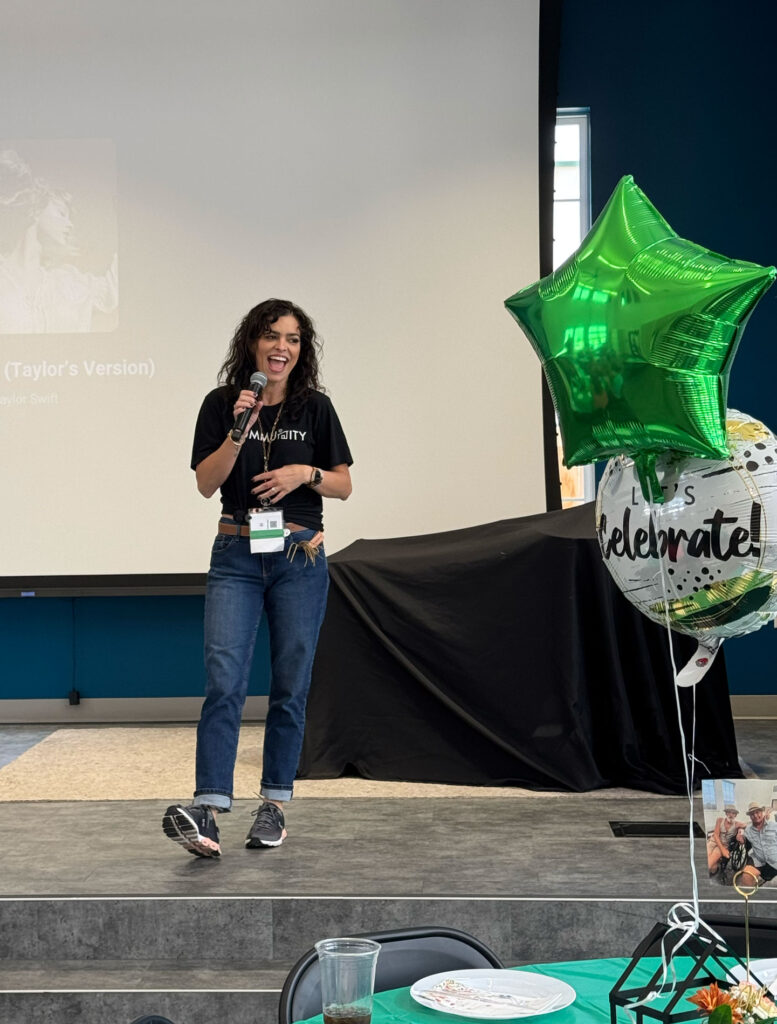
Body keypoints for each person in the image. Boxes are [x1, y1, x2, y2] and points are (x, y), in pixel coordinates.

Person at [163, 298, 352, 857]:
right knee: (224, 682)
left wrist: (304, 472)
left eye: (293, 339)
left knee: (290, 686)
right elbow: (206, 482)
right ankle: (209, 810)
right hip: (236, 555)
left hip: (300, 559)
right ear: (251, 343)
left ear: (302, 351)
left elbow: (342, 485)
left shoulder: (315, 409)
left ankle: (273, 805)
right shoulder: (222, 405)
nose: (281, 347)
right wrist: (238, 432)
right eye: (271, 336)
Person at [0, 149, 117, 333]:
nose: (69, 224)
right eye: (61, 213)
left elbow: (112, 289)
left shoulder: (67, 284)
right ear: (36, 205)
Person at [738, 801, 777, 888]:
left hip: (775, 862)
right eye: (752, 814)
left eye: (757, 812)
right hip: (759, 863)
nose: (755, 816)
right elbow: (742, 834)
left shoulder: (774, 826)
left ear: (762, 812)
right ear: (749, 816)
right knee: (746, 876)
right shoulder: (748, 830)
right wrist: (739, 835)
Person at [707, 804, 745, 877]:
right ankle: (715, 869)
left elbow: (745, 825)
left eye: (733, 813)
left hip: (724, 845)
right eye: (729, 812)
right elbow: (715, 835)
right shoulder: (720, 820)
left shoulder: (737, 824)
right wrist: (723, 850)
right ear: (726, 813)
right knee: (708, 859)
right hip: (713, 842)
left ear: (735, 815)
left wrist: (740, 831)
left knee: (710, 863)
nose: (731, 815)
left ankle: (714, 870)